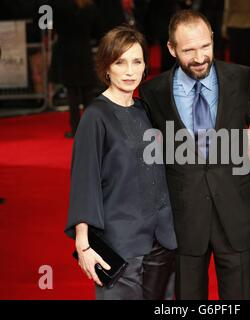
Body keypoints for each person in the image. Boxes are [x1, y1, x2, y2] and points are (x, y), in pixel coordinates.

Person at [139, 10, 250, 300]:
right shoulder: (152, 92)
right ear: (171, 49)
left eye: (205, 46)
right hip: (183, 218)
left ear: (213, 40)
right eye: (189, 50)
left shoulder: (241, 78)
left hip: (237, 211)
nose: (199, 57)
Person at [64, 25, 177, 300]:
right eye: (120, 62)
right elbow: (84, 179)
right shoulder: (95, 116)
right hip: (121, 243)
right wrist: (84, 244)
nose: (129, 71)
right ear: (106, 67)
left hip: (161, 239)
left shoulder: (143, 109)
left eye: (137, 61)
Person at [49, 0, 103, 138]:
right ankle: (92, 129)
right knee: (88, 92)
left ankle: (75, 128)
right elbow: (98, 31)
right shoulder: (90, 7)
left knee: (72, 92)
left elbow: (53, 26)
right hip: (83, 50)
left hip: (66, 51)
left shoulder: (59, 6)